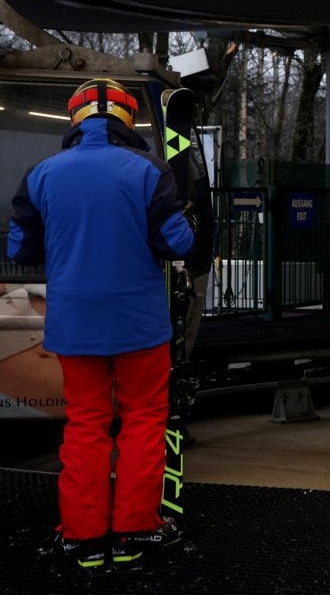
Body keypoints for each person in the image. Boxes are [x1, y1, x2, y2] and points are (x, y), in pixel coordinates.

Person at [7, 78, 196, 567]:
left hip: (74, 325)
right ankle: (136, 531)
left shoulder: (41, 173)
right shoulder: (149, 169)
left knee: (87, 424)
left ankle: (83, 537)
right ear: (128, 119)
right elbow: (179, 245)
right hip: (140, 325)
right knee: (142, 421)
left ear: (74, 119)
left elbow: (20, 250)